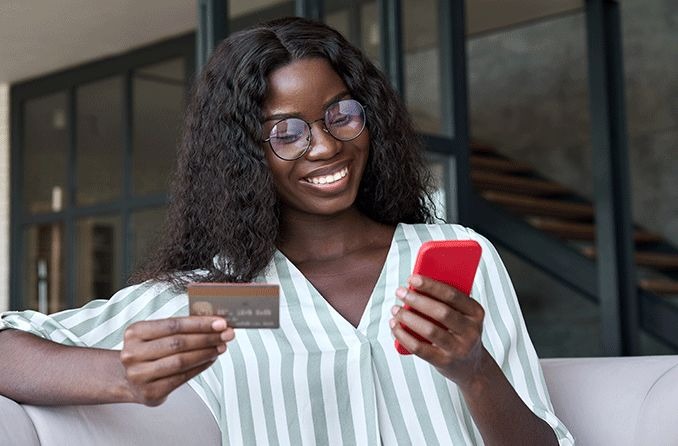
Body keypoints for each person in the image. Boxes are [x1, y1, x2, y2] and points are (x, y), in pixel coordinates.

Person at [0, 17, 573, 446]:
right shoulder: (241, 297)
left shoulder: (452, 257)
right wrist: (121, 375)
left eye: (341, 115)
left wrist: (475, 373)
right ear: (244, 154)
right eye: (287, 132)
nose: (325, 146)